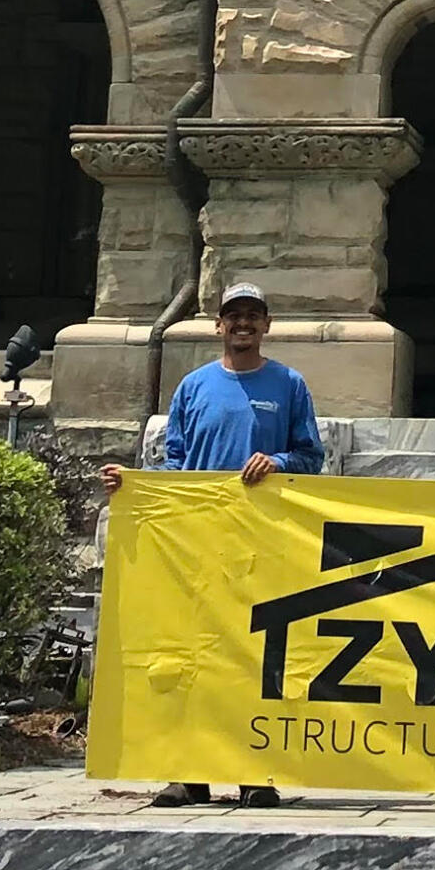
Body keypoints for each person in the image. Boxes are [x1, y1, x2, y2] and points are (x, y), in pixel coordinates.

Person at [99, 281, 322, 810]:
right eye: (233, 315)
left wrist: (278, 462)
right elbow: (176, 464)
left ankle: (253, 773)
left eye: (253, 315)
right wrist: (133, 484)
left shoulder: (289, 385)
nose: (243, 323)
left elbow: (310, 456)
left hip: (257, 545)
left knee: (249, 658)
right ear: (218, 326)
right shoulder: (193, 386)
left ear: (267, 325)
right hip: (193, 546)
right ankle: (188, 775)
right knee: (189, 657)